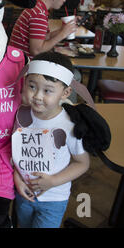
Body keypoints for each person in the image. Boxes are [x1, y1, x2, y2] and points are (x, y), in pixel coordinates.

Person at [12, 52, 90, 228]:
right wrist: (17, 176)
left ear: (66, 92)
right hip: (24, 192)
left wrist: (53, 181)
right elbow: (16, 151)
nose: (38, 96)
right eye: (32, 86)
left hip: (54, 199)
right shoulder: (20, 114)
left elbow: (82, 163)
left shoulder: (69, 125)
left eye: (47, 90)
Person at [10, 0, 77, 58]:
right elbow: (36, 51)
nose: (64, 0)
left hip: (17, 59)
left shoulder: (36, 7)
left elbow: (42, 38)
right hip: (23, 66)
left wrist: (62, 30)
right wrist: (62, 34)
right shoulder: (39, 14)